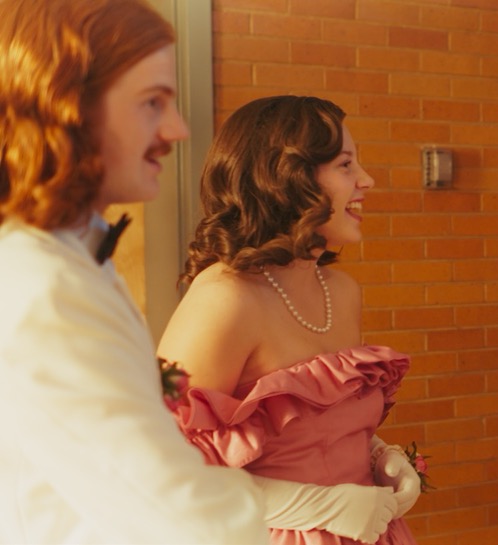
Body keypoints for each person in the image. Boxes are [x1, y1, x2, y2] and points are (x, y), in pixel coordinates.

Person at [0, 0, 268, 542]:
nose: (178, 129)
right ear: (66, 106)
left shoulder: (74, 257)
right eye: (153, 103)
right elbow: (177, 518)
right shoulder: (45, 286)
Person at [154, 95, 419, 545]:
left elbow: (315, 430)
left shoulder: (341, 292)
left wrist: (380, 456)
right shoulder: (225, 299)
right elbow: (157, 462)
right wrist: (314, 505)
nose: (367, 180)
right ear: (287, 179)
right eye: (345, 165)